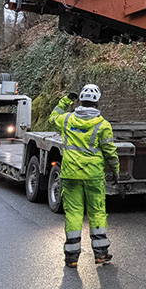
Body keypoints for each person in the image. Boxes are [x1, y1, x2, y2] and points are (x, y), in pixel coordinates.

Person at [50, 84, 120, 268]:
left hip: (70, 174)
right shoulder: (103, 125)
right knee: (97, 212)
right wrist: (116, 170)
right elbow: (110, 152)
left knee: (73, 213)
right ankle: (101, 255)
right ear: (97, 103)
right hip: (93, 175)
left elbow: (53, 117)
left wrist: (66, 100)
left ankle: (71, 258)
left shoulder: (67, 120)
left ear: (80, 100)